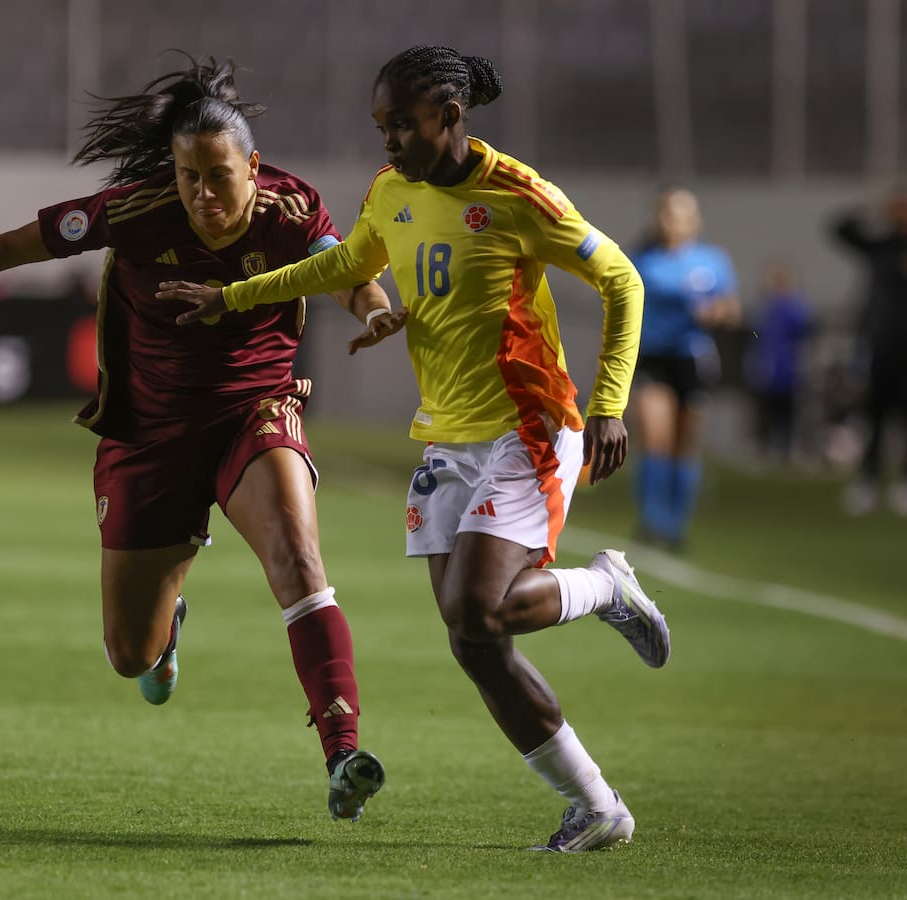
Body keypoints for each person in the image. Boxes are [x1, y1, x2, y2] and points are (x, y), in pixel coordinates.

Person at [0, 53, 397, 822]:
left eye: (218, 175)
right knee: (130, 654)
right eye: (189, 175)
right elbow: (7, 249)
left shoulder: (292, 209)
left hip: (253, 413)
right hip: (150, 437)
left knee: (298, 559)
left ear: (253, 167)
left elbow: (349, 268)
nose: (202, 193)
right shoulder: (133, 211)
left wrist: (373, 311)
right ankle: (166, 639)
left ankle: (343, 752)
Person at [158, 45, 670, 853]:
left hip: (529, 425)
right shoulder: (390, 192)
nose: (388, 141)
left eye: (401, 125)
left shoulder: (518, 194)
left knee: (479, 606)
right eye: (380, 126)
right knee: (473, 640)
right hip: (446, 438)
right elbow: (345, 263)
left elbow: (623, 282)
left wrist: (609, 405)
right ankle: (597, 806)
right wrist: (229, 299)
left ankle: (605, 587)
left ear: (450, 117)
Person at [629, 187, 741, 548]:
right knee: (656, 438)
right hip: (655, 357)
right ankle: (651, 521)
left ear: (695, 221)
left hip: (693, 358)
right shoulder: (645, 261)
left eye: (681, 215)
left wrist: (717, 313)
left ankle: (677, 528)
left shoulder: (713, 261)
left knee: (685, 445)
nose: (673, 222)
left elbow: (731, 309)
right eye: (667, 214)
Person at [831, 189, 907, 517]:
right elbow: (840, 228)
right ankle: (867, 482)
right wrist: (871, 211)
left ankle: (903, 483)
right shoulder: (881, 245)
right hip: (880, 345)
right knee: (872, 416)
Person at [744, 260, 813, 463]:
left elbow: (806, 331)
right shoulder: (764, 308)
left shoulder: (794, 308)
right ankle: (764, 448)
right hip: (765, 370)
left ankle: (784, 450)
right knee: (764, 412)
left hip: (788, 370)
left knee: (786, 413)